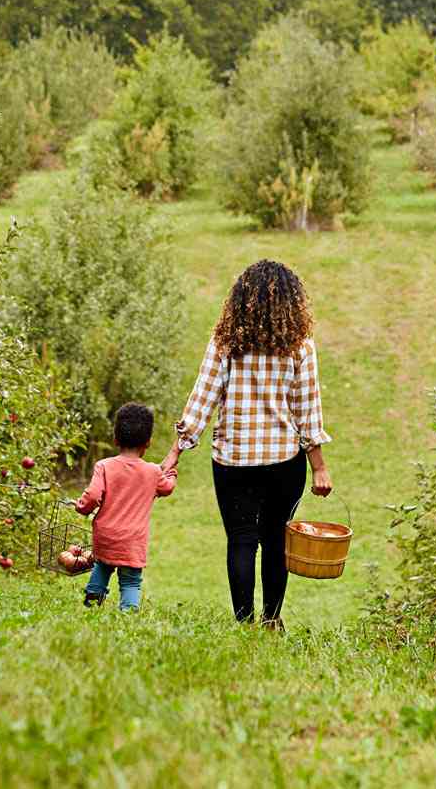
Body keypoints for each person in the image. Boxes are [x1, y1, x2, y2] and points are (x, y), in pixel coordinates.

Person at [160, 259, 332, 627]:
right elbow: (308, 409)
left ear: (240, 300)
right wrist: (319, 466)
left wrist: (177, 448)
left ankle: (244, 622)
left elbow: (203, 398)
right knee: (275, 541)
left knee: (240, 539)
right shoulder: (300, 346)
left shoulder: (225, 343)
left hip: (233, 460)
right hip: (284, 461)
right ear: (292, 301)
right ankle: (272, 619)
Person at [75, 401, 177, 611]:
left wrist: (82, 507)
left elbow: (93, 496)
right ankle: (128, 614)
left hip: (105, 536)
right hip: (132, 540)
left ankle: (92, 604)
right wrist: (171, 474)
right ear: (148, 443)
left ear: (115, 439)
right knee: (130, 580)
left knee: (102, 566)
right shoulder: (152, 472)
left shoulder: (104, 466)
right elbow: (167, 488)